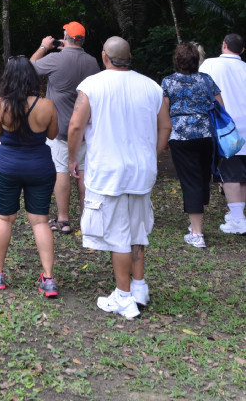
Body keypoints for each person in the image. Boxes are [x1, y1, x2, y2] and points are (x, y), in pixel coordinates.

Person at [67, 36, 171, 319]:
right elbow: (166, 126)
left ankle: (123, 298)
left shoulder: (92, 85)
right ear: (130, 56)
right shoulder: (152, 87)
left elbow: (76, 125)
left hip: (108, 171)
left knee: (118, 236)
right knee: (137, 230)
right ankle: (139, 287)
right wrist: (153, 154)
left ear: (104, 56)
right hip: (141, 171)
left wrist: (73, 157)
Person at [0, 55, 59, 296]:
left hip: (7, 165)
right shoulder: (47, 105)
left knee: (4, 218)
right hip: (39, 166)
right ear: (31, 76)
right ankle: (48, 278)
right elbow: (52, 134)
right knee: (40, 221)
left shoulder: (0, 104)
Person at [29, 21, 100, 233]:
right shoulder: (92, 62)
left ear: (66, 37)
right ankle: (87, 219)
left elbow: (29, 67)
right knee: (83, 171)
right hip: (85, 128)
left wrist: (44, 47)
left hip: (59, 128)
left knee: (61, 170)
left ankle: (63, 219)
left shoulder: (55, 59)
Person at [160, 42, 223, 247]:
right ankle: (196, 221)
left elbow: (164, 113)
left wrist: (165, 136)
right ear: (196, 61)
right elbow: (220, 106)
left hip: (181, 137)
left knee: (190, 181)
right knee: (203, 177)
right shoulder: (206, 80)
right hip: (206, 135)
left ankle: (197, 233)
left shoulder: (168, 82)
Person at [199, 33, 246, 234]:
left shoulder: (211, 64)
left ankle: (237, 219)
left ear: (223, 45)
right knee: (242, 173)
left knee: (231, 173)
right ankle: (238, 215)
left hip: (227, 126)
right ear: (242, 50)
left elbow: (200, 87)